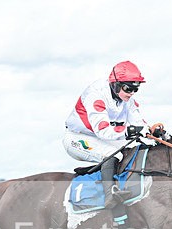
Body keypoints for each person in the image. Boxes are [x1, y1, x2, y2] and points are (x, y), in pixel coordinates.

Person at [63, 61, 166, 209]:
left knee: (130, 152)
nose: (131, 93)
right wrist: (133, 130)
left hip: (99, 137)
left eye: (135, 90)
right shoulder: (96, 95)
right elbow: (103, 130)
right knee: (113, 154)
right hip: (77, 137)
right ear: (115, 84)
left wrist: (151, 131)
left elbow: (138, 122)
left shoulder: (127, 99)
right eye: (128, 89)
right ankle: (109, 197)